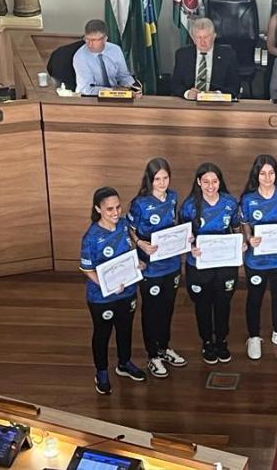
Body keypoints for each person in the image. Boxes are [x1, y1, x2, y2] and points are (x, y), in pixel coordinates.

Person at [79, 186, 147, 394]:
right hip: (102, 298)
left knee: (125, 329)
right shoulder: (91, 237)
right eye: (110, 209)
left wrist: (139, 264)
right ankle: (101, 372)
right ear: (98, 209)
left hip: (127, 291)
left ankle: (124, 363)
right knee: (102, 333)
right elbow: (87, 269)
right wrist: (107, 286)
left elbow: (130, 252)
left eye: (118, 207)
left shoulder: (125, 225)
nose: (116, 213)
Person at [127, 158, 187, 378]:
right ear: (150, 179)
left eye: (165, 178)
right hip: (150, 268)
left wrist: (184, 235)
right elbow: (129, 229)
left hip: (171, 264)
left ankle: (164, 347)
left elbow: (174, 225)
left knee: (167, 308)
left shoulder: (173, 197)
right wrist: (141, 244)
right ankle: (152, 355)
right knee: (151, 311)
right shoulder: (140, 203)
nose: (162, 183)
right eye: (157, 179)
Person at [180, 162, 242, 365]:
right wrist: (190, 248)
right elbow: (182, 237)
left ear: (219, 182)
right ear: (198, 182)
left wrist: (240, 244)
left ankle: (222, 341)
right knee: (203, 305)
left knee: (223, 304)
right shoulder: (189, 206)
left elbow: (236, 228)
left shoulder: (230, 203)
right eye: (205, 181)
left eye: (214, 181)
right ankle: (207, 342)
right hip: (199, 265)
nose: (210, 186)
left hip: (225, 265)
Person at [240, 155, 277, 360]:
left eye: (271, 173)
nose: (267, 177)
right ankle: (254, 336)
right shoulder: (248, 199)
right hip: (256, 260)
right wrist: (249, 237)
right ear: (257, 175)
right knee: (255, 298)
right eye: (263, 173)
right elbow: (245, 223)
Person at [171, 17, 240, 99]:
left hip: (217, 105)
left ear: (214, 36)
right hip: (190, 104)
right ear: (193, 38)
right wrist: (187, 93)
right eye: (199, 37)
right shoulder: (182, 55)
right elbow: (175, 84)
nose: (202, 42)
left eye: (206, 37)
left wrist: (218, 94)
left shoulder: (227, 54)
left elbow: (235, 86)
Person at [73, 19, 140, 96]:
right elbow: (85, 89)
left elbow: (123, 75)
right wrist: (113, 91)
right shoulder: (80, 57)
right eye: (87, 39)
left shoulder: (115, 50)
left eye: (94, 40)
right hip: (90, 98)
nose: (90, 44)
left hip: (117, 96)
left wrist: (132, 87)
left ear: (105, 39)